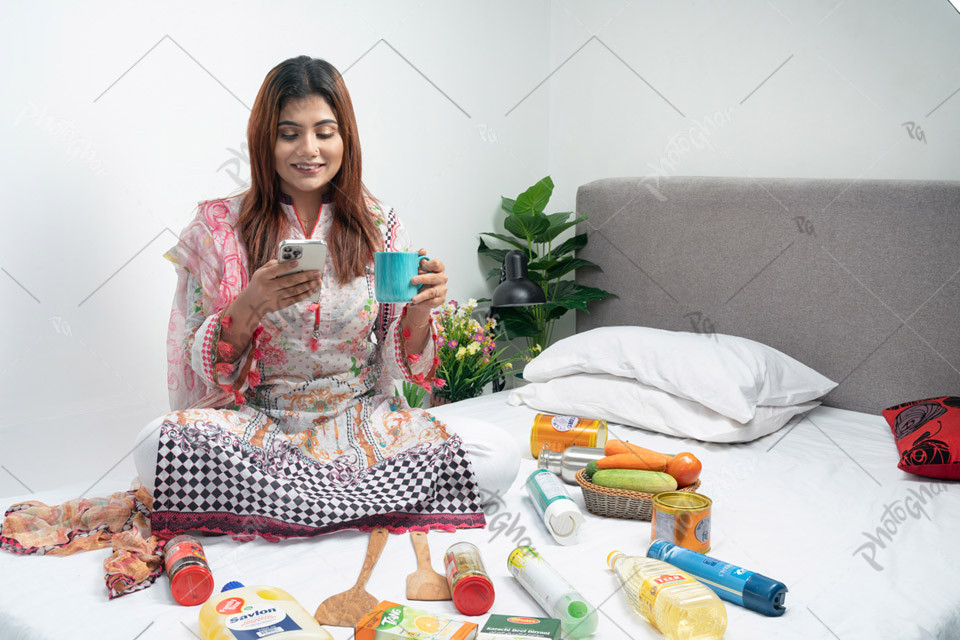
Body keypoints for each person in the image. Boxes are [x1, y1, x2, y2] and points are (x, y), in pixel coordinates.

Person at [133, 56, 518, 539]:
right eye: (289, 133)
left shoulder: (379, 224)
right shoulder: (219, 227)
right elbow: (207, 371)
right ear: (264, 140)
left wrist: (420, 312)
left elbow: (404, 362)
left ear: (345, 138)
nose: (308, 149)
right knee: (154, 447)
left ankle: (289, 506)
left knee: (498, 457)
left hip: (362, 427)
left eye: (324, 131)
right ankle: (356, 502)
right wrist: (251, 304)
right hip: (260, 429)